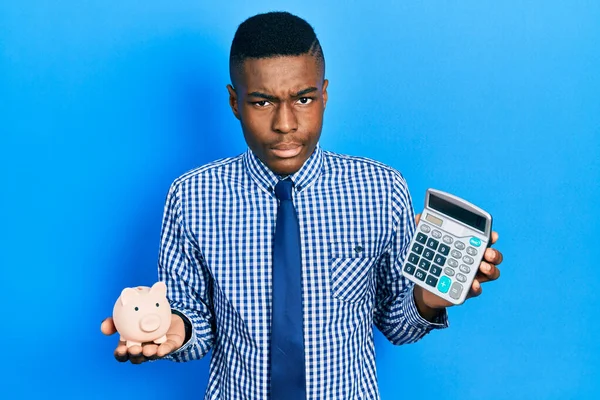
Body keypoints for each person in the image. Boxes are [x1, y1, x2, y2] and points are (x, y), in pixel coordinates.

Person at [101, 11, 503, 400]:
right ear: (234, 102)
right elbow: (194, 325)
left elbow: (398, 325)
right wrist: (174, 328)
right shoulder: (191, 196)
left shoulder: (381, 189)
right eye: (261, 102)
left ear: (324, 94)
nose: (286, 124)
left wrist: (431, 298)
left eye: (304, 99)